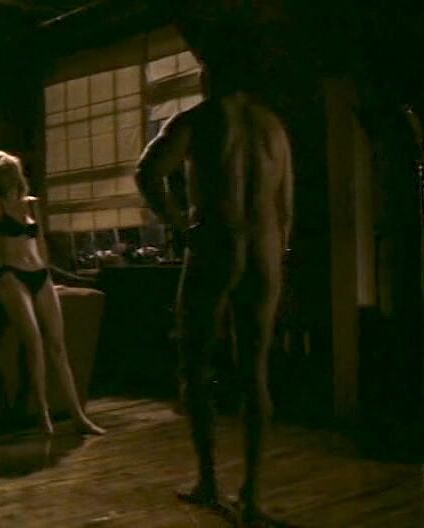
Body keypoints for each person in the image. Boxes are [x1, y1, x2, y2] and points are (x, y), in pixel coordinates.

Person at [134, 62, 293, 524]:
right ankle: (253, 495)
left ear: (208, 76)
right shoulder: (274, 128)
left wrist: (179, 223)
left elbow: (146, 172)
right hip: (265, 250)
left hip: (217, 244)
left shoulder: (197, 120)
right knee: (255, 372)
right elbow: (286, 207)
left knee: (195, 363)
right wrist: (276, 251)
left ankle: (208, 480)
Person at [0, 150, 105, 436]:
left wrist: (51, 279)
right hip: (11, 274)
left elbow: (40, 243)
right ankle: (43, 413)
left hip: (39, 274)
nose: (7, 178)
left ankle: (78, 415)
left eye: (10, 172)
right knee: (33, 340)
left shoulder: (31, 204)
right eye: (0, 174)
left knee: (57, 345)